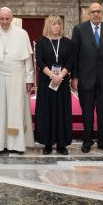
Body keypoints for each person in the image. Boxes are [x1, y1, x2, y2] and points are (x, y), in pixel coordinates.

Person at [0, 7, 34, 154]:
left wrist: (29, 79)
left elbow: (28, 60)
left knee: (16, 111)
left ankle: (16, 145)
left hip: (18, 76)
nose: (5, 22)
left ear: (12, 19)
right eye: (2, 19)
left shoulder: (22, 34)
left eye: (7, 19)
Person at [71, 2, 103, 153]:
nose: (96, 14)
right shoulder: (79, 29)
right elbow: (75, 56)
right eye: (93, 12)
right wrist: (75, 77)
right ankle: (87, 140)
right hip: (85, 78)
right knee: (87, 112)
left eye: (98, 11)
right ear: (88, 13)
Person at [35, 15, 73, 155]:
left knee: (62, 111)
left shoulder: (67, 42)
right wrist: (52, 76)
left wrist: (60, 76)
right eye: (53, 24)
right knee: (47, 112)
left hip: (62, 83)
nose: (56, 26)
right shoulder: (41, 42)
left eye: (58, 24)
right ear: (48, 26)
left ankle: (62, 144)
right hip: (47, 82)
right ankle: (48, 143)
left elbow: (70, 61)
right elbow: (40, 61)